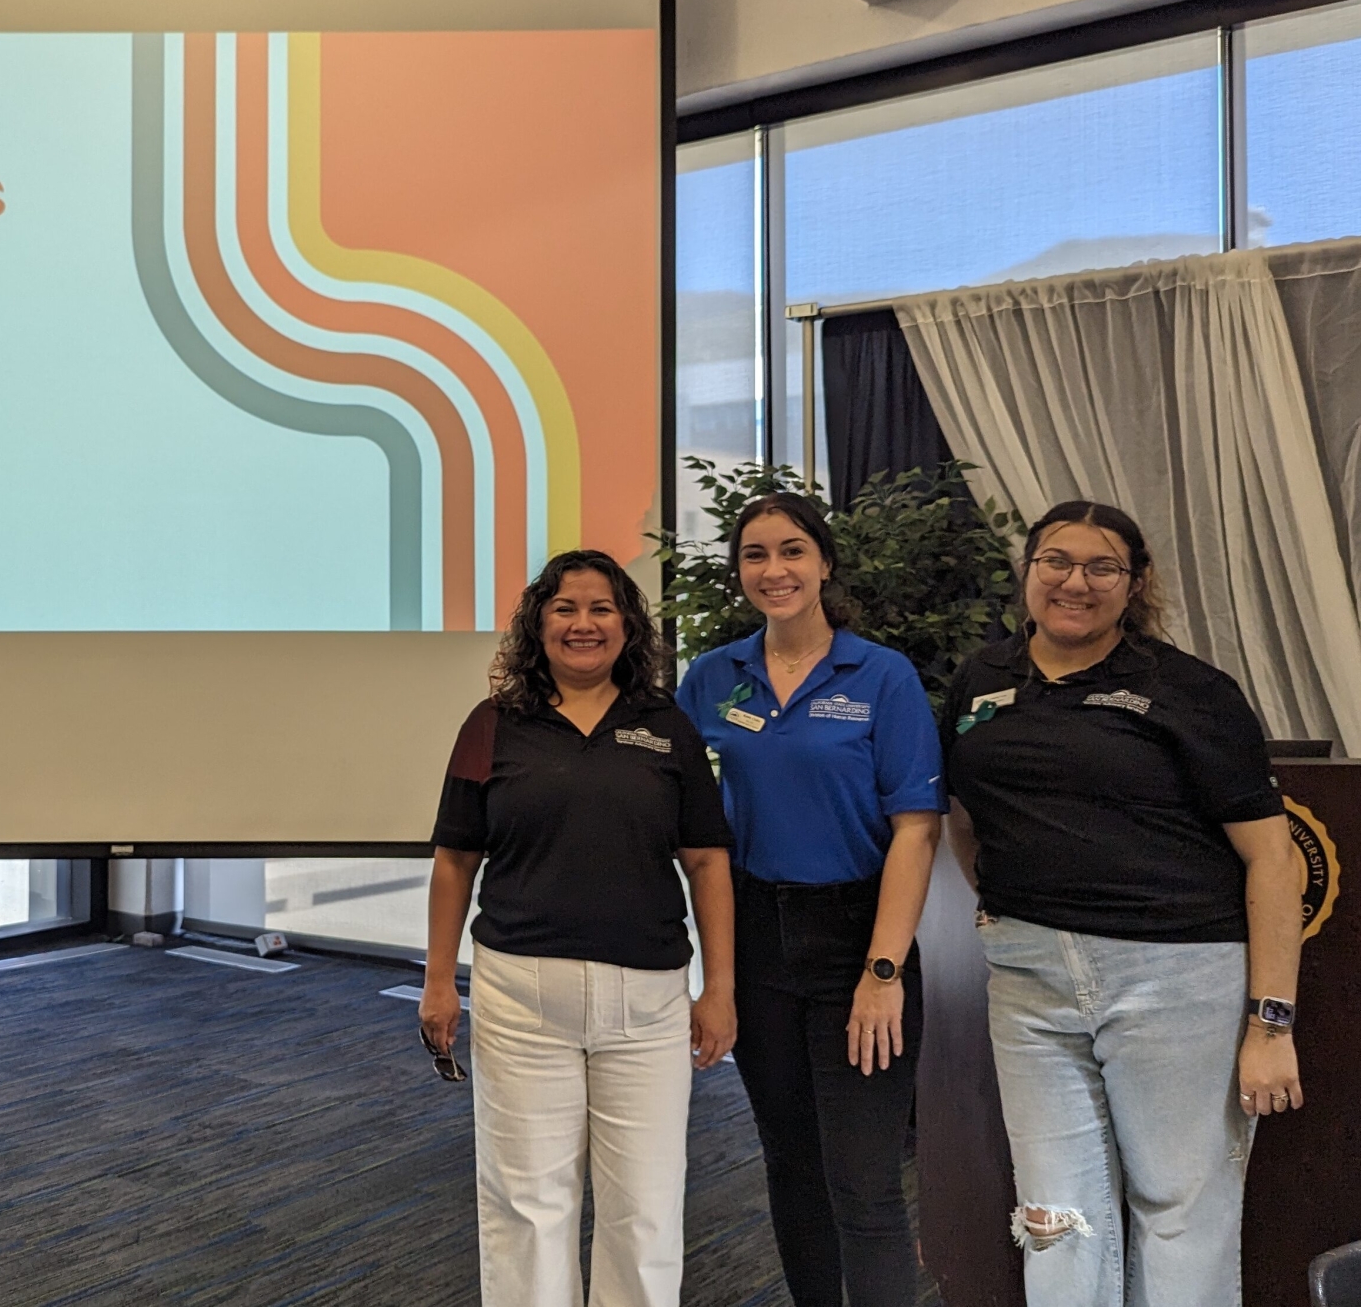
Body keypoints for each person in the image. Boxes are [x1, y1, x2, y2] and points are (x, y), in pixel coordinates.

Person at [942, 500, 1303, 1307]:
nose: (1076, 582)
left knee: (1179, 1209)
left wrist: (1270, 1022)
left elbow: (1273, 861)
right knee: (1055, 1217)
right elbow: (966, 821)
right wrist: (1006, 905)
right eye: (1056, 562)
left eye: (1101, 566)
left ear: (1134, 582)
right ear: (1028, 570)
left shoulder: (1190, 692)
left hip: (1176, 977)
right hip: (1029, 979)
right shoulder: (983, 678)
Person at [419, 548, 736, 1307]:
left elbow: (708, 862)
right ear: (539, 624)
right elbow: (454, 860)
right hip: (520, 995)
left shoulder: (668, 725)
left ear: (627, 624)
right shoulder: (490, 724)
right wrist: (436, 981)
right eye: (565, 608)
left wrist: (719, 987)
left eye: (600, 608)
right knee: (526, 1205)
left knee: (646, 1208)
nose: (583, 623)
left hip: (649, 998)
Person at [675, 493, 945, 1307]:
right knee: (790, 1164)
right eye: (755, 555)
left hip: (860, 937)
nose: (774, 570)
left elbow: (917, 830)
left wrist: (884, 970)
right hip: (756, 937)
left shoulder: (881, 675)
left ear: (824, 562)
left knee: (862, 1178)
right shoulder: (713, 678)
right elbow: (683, 822)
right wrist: (713, 979)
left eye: (791, 551)